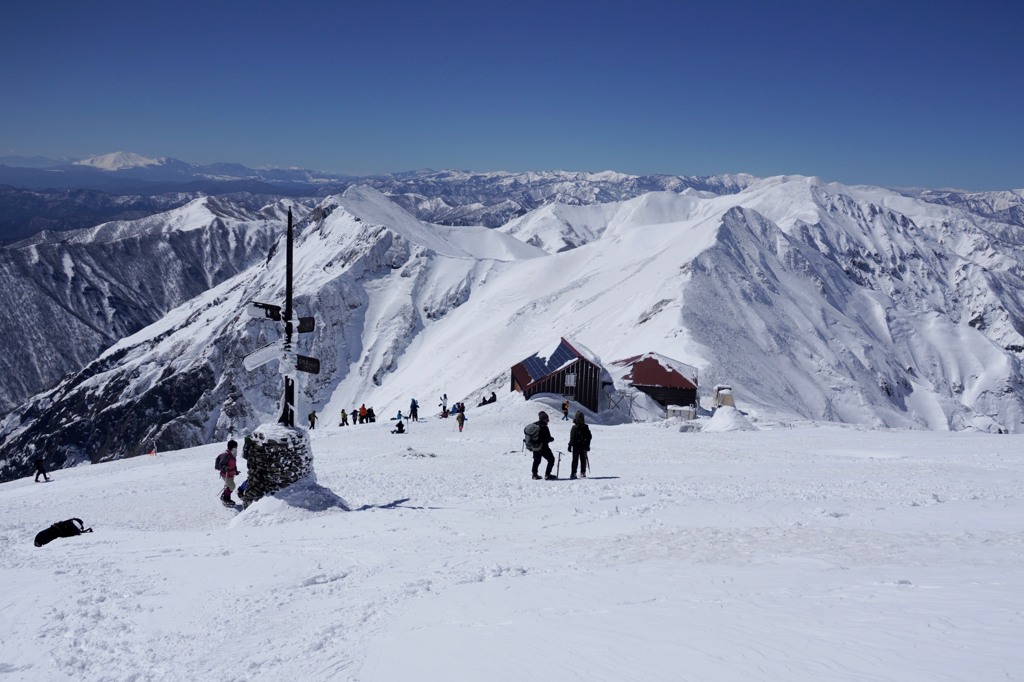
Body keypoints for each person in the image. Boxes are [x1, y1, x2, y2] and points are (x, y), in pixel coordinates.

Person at [530, 411, 556, 480]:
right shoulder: (544, 427)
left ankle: (534, 475)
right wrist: (551, 439)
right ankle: (547, 474)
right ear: (543, 419)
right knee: (551, 459)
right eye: (547, 419)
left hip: (535, 447)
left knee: (536, 460)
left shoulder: (534, 425)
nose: (548, 420)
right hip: (543, 447)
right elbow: (547, 438)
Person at [568, 412, 592, 479]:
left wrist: (570, 445)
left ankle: (573, 473)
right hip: (583, 446)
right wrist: (587, 445)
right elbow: (589, 437)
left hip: (576, 446)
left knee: (575, 460)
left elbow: (572, 438)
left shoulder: (574, 427)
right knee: (583, 459)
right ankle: (582, 472)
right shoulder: (585, 426)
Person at [217, 439, 239, 505]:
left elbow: (234, 464)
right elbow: (220, 464)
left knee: (229, 486)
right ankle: (225, 498)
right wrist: (224, 468)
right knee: (232, 486)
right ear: (231, 448)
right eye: (235, 447)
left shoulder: (233, 455)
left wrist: (236, 471)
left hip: (231, 474)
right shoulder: (226, 455)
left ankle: (226, 497)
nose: (236, 449)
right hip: (225, 474)